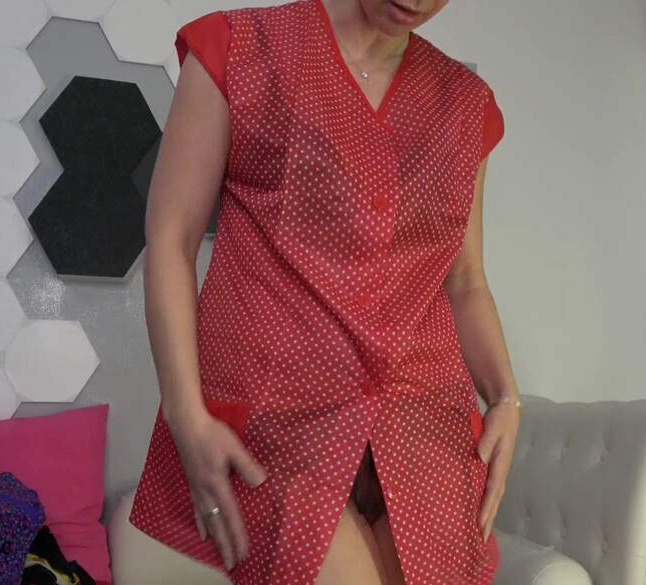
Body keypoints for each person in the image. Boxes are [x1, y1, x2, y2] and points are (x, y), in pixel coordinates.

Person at [128, 0, 522, 583]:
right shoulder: (241, 47)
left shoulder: (466, 105)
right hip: (281, 418)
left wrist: (506, 398)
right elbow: (170, 239)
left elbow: (465, 280)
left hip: (423, 420)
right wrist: (186, 414)